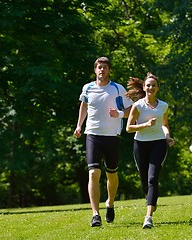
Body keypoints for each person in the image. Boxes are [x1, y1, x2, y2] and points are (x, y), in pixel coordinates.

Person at [74, 56, 133, 227]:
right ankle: (95, 214)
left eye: (105, 67)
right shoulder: (88, 88)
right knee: (93, 173)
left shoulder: (117, 89)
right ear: (95, 70)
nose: (102, 70)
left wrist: (119, 114)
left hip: (112, 136)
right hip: (92, 134)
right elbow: (83, 105)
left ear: (109, 70)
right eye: (99, 67)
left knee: (111, 174)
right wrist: (79, 125)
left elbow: (132, 111)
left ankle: (110, 203)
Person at [125, 72, 174, 229]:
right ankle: (150, 199)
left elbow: (164, 124)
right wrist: (145, 125)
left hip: (158, 143)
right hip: (140, 144)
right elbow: (129, 128)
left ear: (158, 88)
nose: (151, 87)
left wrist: (167, 136)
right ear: (144, 87)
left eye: (154, 85)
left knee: (153, 178)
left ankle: (148, 217)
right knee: (144, 180)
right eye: (148, 85)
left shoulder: (164, 106)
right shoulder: (138, 105)